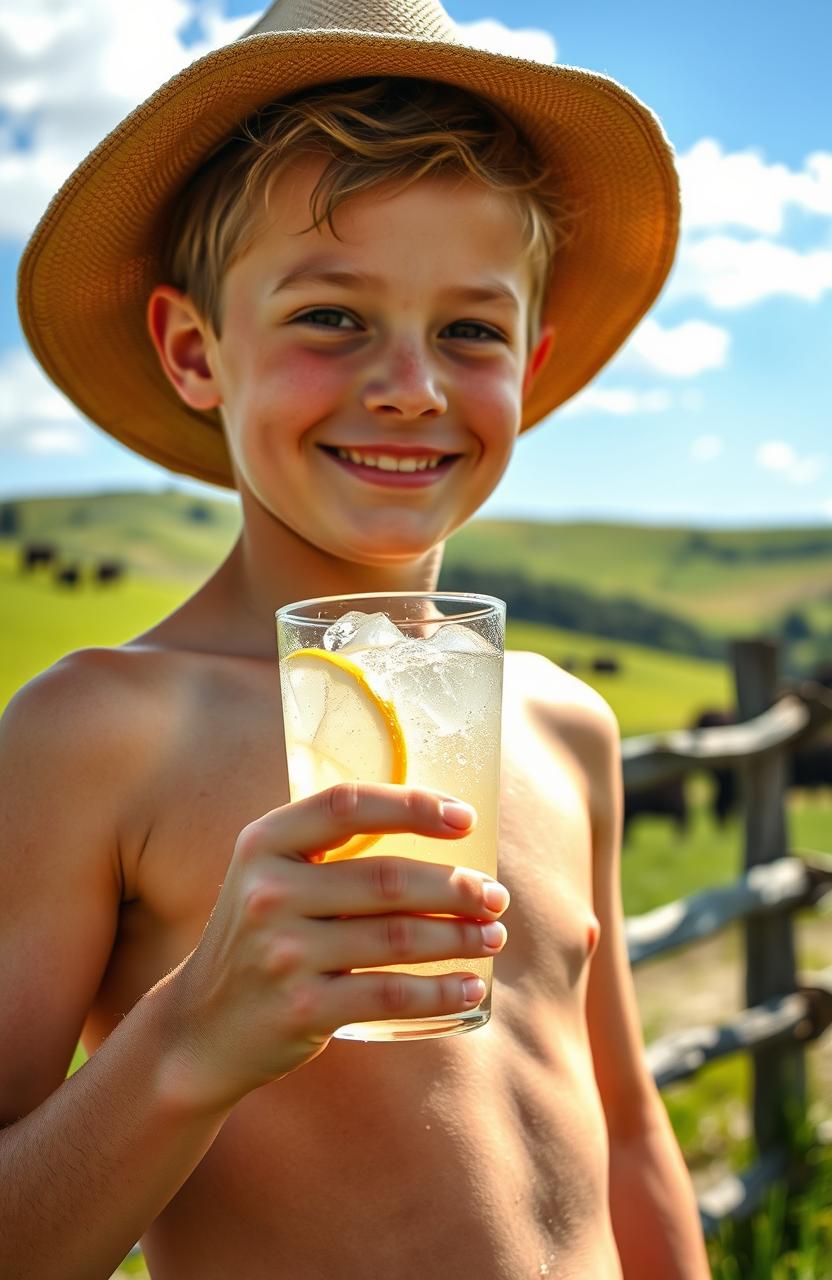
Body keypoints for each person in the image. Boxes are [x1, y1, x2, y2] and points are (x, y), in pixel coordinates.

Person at [4, 2, 709, 1276]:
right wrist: (188, 1042)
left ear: (531, 368)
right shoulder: (96, 730)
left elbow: (621, 1126)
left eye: (470, 329)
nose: (411, 385)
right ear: (192, 348)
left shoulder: (562, 720)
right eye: (332, 316)